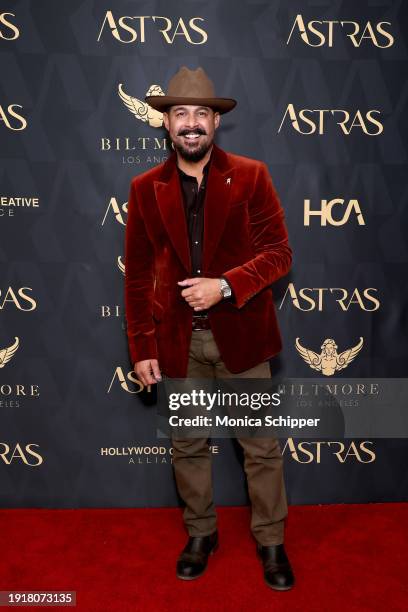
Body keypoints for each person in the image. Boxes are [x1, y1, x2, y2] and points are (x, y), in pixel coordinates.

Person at [124, 66, 294, 590]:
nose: (191, 124)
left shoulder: (251, 175)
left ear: (216, 123)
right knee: (188, 444)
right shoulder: (144, 188)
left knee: (261, 447)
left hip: (242, 337)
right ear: (167, 124)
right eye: (181, 114)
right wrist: (141, 347)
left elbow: (280, 254)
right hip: (179, 343)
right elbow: (135, 277)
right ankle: (202, 533)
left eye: (202, 113)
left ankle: (270, 542)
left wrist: (224, 285)